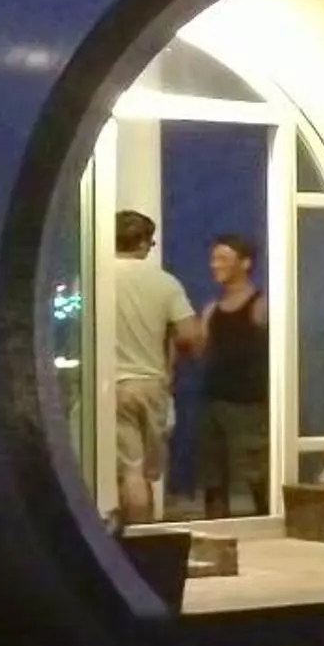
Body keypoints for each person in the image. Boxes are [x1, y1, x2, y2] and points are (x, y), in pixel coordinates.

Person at [109, 210, 202, 531]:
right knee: (145, 474)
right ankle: (143, 545)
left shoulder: (97, 277)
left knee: (127, 472)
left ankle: (130, 549)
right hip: (151, 384)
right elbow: (190, 335)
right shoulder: (165, 283)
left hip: (109, 387)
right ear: (145, 243)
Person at [195, 234, 271, 518]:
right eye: (213, 259)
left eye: (223, 258)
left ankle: (269, 522)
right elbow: (201, 349)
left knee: (257, 475)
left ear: (246, 263)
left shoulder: (261, 305)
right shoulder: (211, 310)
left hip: (250, 405)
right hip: (214, 402)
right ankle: (216, 533)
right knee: (213, 478)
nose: (215, 265)